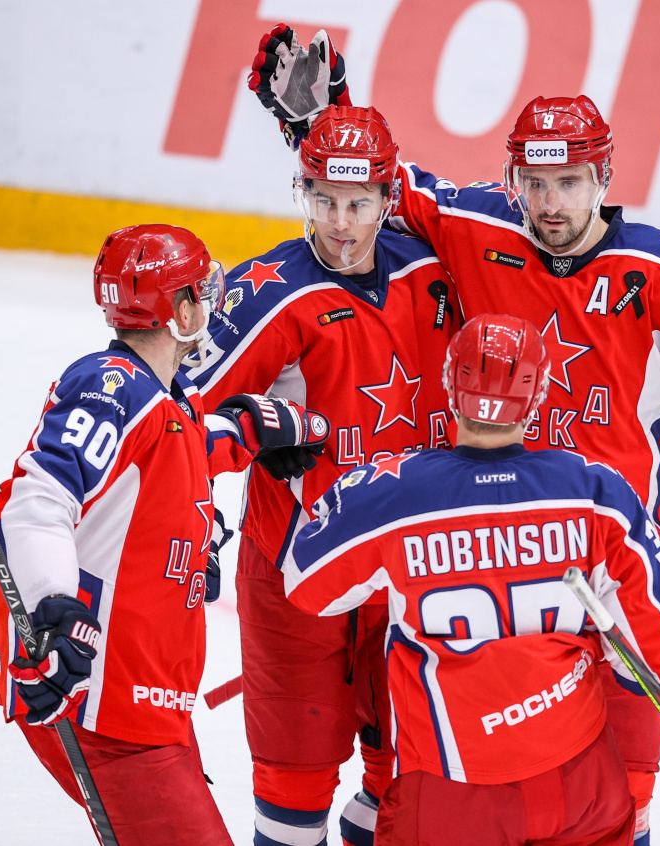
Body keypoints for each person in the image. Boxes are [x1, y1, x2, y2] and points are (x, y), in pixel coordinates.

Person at [249, 34, 660, 844]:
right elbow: (375, 185)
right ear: (512, 179)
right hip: (496, 561)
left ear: (605, 179)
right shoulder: (474, 225)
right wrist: (320, 120)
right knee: (458, 786)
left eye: (571, 182)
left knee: (621, 800)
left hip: (609, 567)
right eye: (536, 183)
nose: (550, 203)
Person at [283, 314, 660, 845]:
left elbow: (307, 584)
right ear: (540, 396)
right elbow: (653, 629)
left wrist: (355, 501)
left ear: (449, 385)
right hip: (581, 784)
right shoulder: (595, 490)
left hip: (452, 791)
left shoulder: (394, 494)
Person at [0, 224, 329, 845]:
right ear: (181, 311)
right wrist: (51, 609)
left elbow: (178, 446)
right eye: (201, 290)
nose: (213, 301)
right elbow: (37, 502)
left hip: (142, 700)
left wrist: (245, 432)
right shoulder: (108, 387)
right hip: (99, 699)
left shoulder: (166, 396)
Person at [187, 104, 461, 846]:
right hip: (294, 575)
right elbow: (176, 421)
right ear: (302, 193)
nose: (341, 224)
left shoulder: (436, 269)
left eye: (359, 203)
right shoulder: (268, 292)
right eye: (324, 200)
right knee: (294, 792)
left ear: (388, 198)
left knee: (413, 782)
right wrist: (234, 451)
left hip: (409, 570)